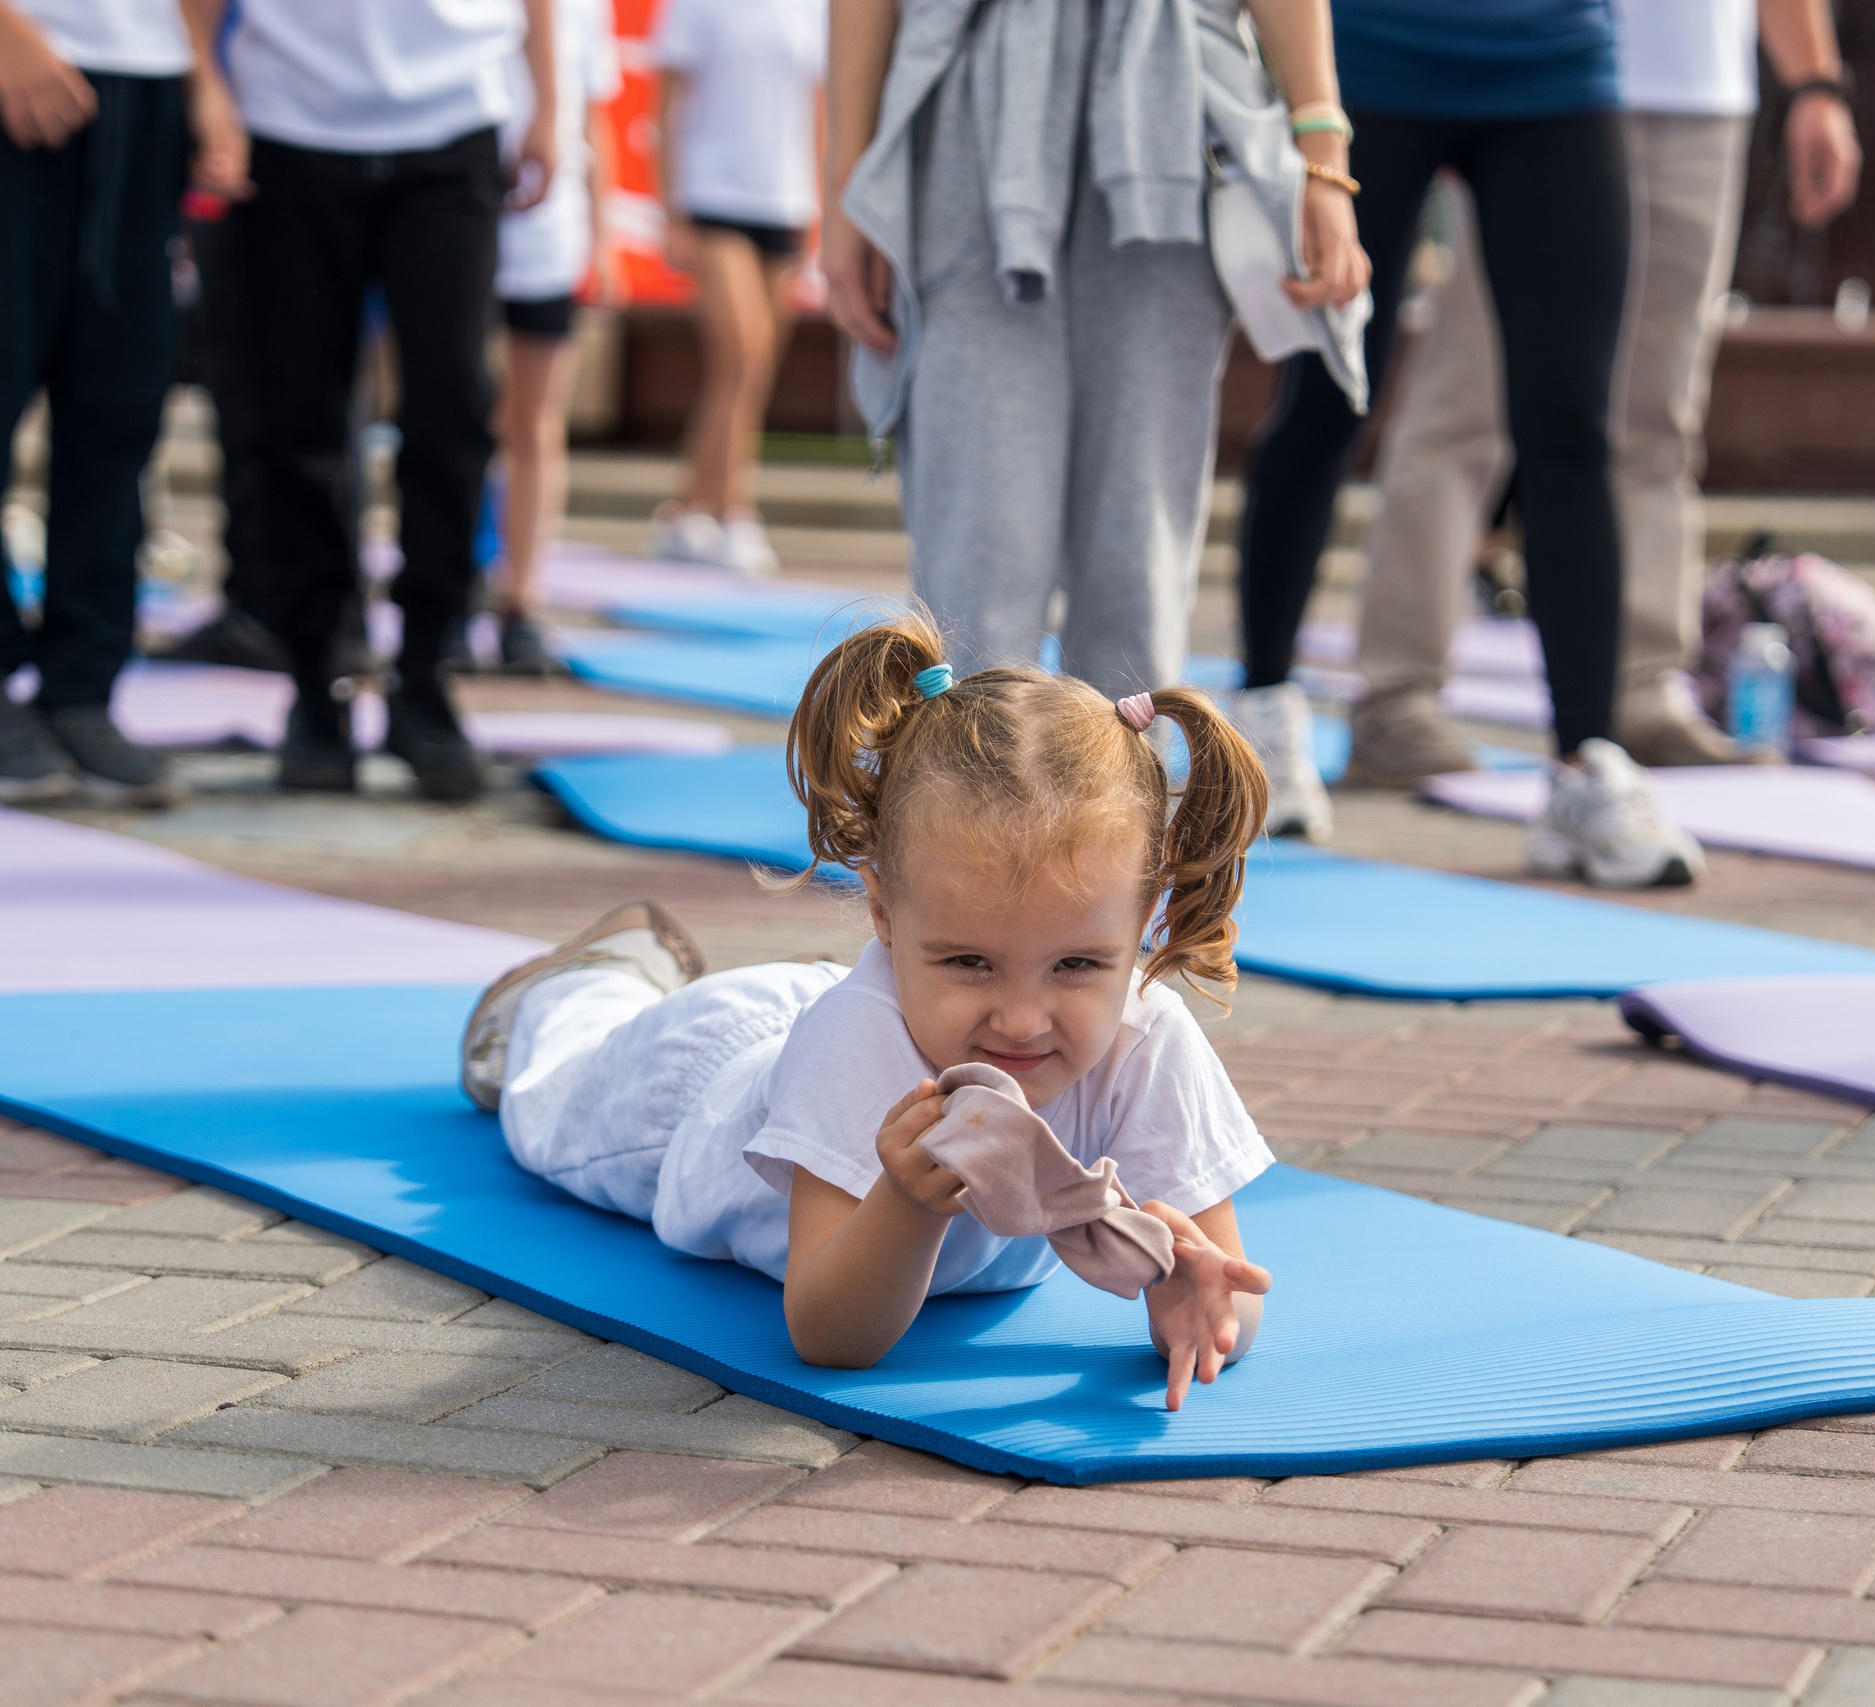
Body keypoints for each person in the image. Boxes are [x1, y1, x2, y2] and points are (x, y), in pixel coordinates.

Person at [459, 612, 1277, 1410]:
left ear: (1142, 924)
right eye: (969, 961)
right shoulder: (857, 1041)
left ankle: (647, 968)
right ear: (883, 911)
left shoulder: (1146, 1039)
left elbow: (1231, 1298)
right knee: (542, 1088)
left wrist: (1192, 1294)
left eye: (1076, 965)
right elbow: (828, 1332)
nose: (1023, 1021)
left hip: (816, 1014)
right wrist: (908, 1203)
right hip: (692, 1098)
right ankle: (584, 977)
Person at [1333, 0, 1860, 795]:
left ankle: (1640, 687)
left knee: (1657, 419)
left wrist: (1816, 81)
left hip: (1700, 95)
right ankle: (1395, 694)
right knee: (1466, 409)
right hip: (1537, 82)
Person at [1236, 0, 1702, 886]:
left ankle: (1585, 764)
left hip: (1555, 63)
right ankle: (1264, 708)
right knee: (1327, 400)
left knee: (1570, 427)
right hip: (1366, 62)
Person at [823, 0, 1370, 736]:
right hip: (974, 115)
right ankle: (965, 817)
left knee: (1137, 556)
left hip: (1168, 103)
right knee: (977, 554)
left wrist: (1322, 153)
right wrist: (845, 190)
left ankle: (1120, 828)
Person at [209, 0, 554, 802]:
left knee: (453, 413)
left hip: (456, 113)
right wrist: (208, 84)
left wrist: (551, 107)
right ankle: (316, 681)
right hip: (290, 117)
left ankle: (426, 677)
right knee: (296, 417)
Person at [0, 0, 245, 806]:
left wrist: (204, 78)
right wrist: (1, 30)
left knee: (120, 406)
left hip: (147, 83)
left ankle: (81, 689)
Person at [644, 0, 824, 579]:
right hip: (714, 195)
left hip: (786, 200)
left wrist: (821, 203)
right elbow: (666, 107)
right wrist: (670, 212)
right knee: (742, 351)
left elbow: (816, 106)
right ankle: (734, 510)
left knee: (748, 366)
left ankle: (686, 507)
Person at [490, 0, 619, 672]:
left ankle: (521, 596)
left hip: (547, 230)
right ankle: (450, 590)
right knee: (454, 413)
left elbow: (591, 114)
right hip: (459, 212)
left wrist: (601, 235)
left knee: (536, 422)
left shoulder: (584, 10)